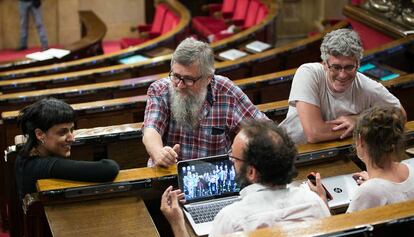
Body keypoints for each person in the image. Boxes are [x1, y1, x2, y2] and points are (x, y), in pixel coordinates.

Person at [160, 120, 331, 237]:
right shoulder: (315, 203)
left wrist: (177, 223)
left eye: (234, 159)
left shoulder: (232, 218)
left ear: (251, 172)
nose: (231, 162)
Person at [142, 37, 267, 167]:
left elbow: (263, 130)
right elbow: (151, 129)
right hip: (169, 174)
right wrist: (159, 153)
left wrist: (235, 155)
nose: (179, 85)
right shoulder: (159, 90)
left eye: (189, 79)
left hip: (213, 177)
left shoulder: (226, 91)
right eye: (176, 76)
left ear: (208, 78)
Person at [279, 28, 406, 144]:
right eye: (336, 67)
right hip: (292, 150)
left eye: (349, 67)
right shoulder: (308, 73)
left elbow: (400, 114)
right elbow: (314, 133)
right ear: (324, 64)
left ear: (358, 64)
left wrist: (360, 121)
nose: (342, 75)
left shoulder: (367, 86)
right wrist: (366, 126)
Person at [308, 106, 414, 212]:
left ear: (361, 140)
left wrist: (322, 199)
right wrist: (373, 183)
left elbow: (344, 227)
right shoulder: (410, 170)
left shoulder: (368, 191)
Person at [15, 98, 119, 200]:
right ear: (40, 134)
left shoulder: (27, 153)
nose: (72, 138)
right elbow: (108, 169)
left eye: (72, 130)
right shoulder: (41, 166)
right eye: (62, 132)